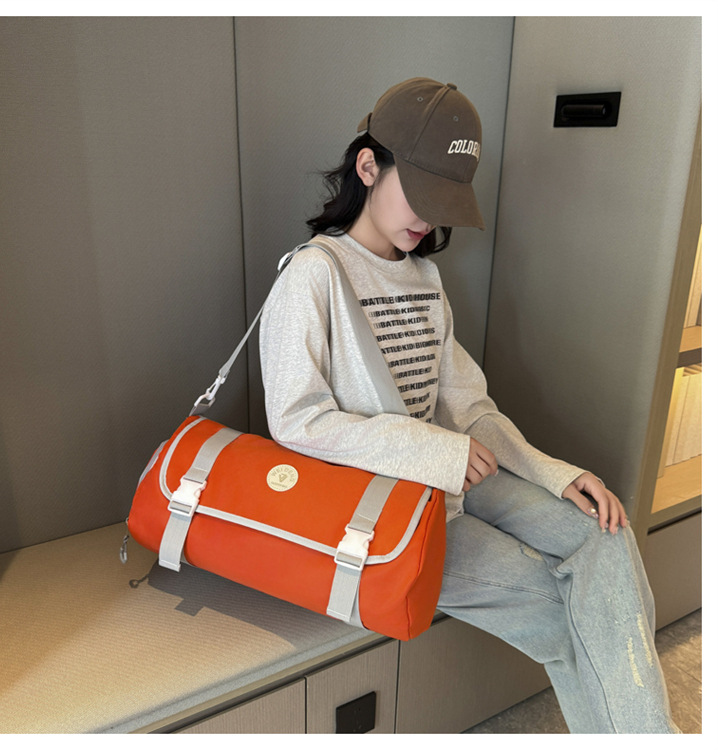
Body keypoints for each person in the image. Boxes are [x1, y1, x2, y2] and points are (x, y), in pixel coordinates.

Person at [258, 77, 679, 733]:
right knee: (568, 609)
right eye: (421, 194)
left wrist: (553, 473)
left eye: (444, 202)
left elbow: (469, 406)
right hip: (386, 509)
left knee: (604, 534)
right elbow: (296, 421)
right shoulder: (314, 274)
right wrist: (439, 452)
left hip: (454, 480)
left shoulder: (424, 277)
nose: (429, 220)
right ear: (368, 167)